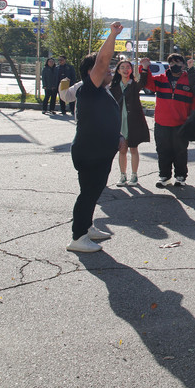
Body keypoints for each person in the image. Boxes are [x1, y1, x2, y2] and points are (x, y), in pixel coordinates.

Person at [65, 22, 124, 253]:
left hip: (99, 151)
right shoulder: (88, 88)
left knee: (92, 193)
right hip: (90, 152)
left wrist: (118, 135)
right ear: (92, 74)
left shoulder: (100, 91)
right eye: (107, 69)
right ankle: (78, 238)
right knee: (88, 194)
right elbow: (101, 62)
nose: (111, 71)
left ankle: (87, 227)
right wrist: (112, 35)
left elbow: (103, 119)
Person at [138, 53, 195, 188]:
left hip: (181, 123)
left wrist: (191, 117)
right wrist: (144, 68)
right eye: (172, 63)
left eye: (177, 63)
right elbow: (147, 83)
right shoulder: (160, 79)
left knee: (180, 151)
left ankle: (180, 176)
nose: (174, 66)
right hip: (161, 122)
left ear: (183, 65)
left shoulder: (189, 80)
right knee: (163, 150)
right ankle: (164, 176)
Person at [110, 59, 150, 186]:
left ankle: (134, 175)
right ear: (118, 70)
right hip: (119, 123)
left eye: (128, 67)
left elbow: (143, 82)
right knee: (122, 150)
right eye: (122, 67)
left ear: (131, 70)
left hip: (133, 123)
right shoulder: (114, 87)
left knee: (133, 149)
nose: (125, 69)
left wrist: (144, 68)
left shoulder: (134, 85)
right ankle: (123, 176)